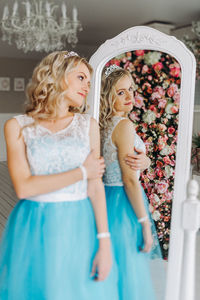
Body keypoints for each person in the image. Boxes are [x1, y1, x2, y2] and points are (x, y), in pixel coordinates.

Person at [0, 51, 119, 300]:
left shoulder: (88, 125)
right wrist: (82, 171)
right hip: (33, 223)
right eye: (81, 77)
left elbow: (95, 187)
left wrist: (105, 242)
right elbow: (24, 188)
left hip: (79, 222)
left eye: (89, 80)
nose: (88, 85)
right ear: (57, 76)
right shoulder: (17, 126)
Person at [100, 64, 163, 300]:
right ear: (108, 96)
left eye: (131, 90)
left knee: (111, 271)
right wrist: (145, 225)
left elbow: (127, 163)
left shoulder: (103, 124)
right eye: (120, 92)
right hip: (123, 202)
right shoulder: (124, 126)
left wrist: (145, 161)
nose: (129, 97)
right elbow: (129, 180)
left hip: (104, 198)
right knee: (126, 273)